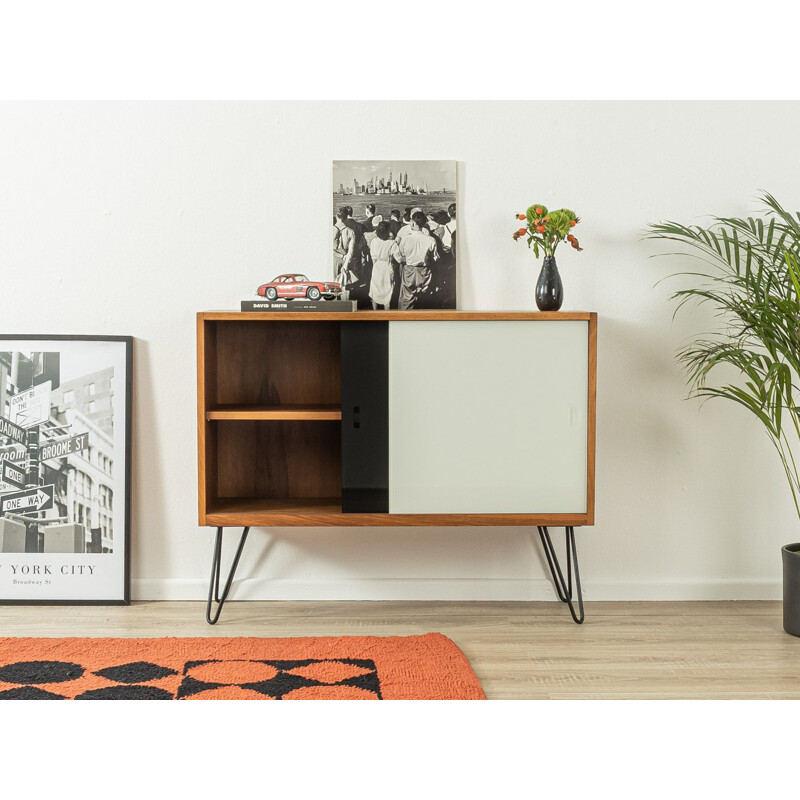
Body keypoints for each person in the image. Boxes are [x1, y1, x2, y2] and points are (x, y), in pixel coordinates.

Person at [397, 211, 439, 309]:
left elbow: (402, 255)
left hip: (409, 270)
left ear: (413, 223)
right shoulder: (430, 240)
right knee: (425, 297)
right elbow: (435, 258)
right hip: (424, 271)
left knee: (406, 298)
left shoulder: (405, 239)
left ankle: (404, 319)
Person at [368, 220, 398, 309]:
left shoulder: (374, 241)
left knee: (375, 291)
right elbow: (398, 258)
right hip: (387, 266)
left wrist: (375, 267)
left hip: (377, 266)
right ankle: (386, 314)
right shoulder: (392, 243)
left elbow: (373, 257)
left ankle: (374, 313)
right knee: (387, 292)